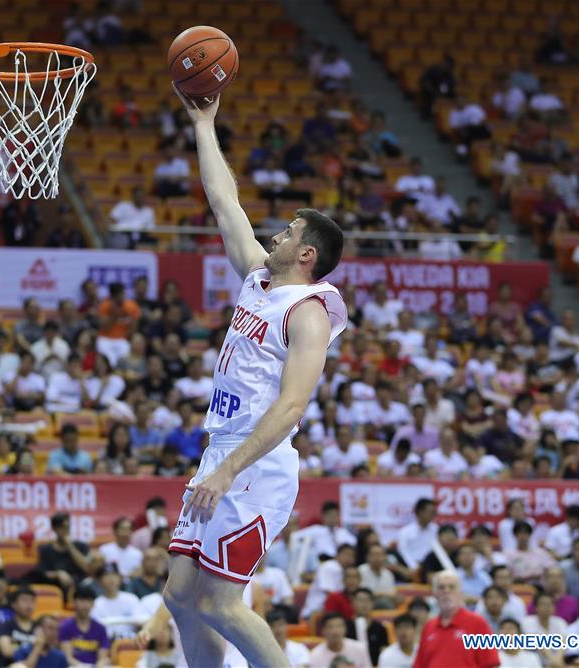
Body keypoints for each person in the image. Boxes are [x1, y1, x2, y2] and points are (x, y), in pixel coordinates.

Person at [165, 86, 347, 668]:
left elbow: (292, 407)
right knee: (179, 596)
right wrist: (203, 122)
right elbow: (224, 202)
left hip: (255, 465)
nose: (277, 234)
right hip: (220, 453)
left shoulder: (311, 312)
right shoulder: (259, 282)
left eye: (290, 233)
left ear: (307, 255)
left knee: (219, 603)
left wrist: (227, 471)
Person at [412, 570, 499, 668]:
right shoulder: (429, 627)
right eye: (441, 587)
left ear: (460, 593)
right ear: (435, 594)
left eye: (451, 587)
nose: (446, 591)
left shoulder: (478, 623)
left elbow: (491, 664)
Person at [91, 564, 146, 639]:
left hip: (131, 642)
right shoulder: (96, 604)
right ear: (100, 581)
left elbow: (140, 622)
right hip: (107, 642)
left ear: (120, 578)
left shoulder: (131, 599)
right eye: (106, 575)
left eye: (114, 575)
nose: (111, 579)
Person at [58, 587, 109, 667]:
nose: (85, 605)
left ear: (93, 604)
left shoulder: (101, 628)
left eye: (89, 601)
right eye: (82, 600)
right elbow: (68, 658)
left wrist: (99, 665)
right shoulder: (65, 626)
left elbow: (102, 657)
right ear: (74, 602)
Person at [307, 612, 371, 667]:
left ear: (345, 628)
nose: (335, 631)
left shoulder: (360, 648)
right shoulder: (315, 655)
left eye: (339, 626)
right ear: (323, 631)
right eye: (330, 627)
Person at [0, 587, 36, 668]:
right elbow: (6, 651)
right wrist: (35, 649)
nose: (29, 605)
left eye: (32, 601)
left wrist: (17, 647)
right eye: (24, 600)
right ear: (14, 604)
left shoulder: (39, 626)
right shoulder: (6, 626)